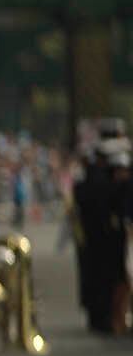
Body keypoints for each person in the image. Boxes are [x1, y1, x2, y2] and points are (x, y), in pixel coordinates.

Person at [71, 138, 131, 335]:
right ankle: (109, 318)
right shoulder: (105, 185)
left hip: (96, 244)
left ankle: (105, 317)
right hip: (106, 244)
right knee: (109, 283)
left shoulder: (88, 182)